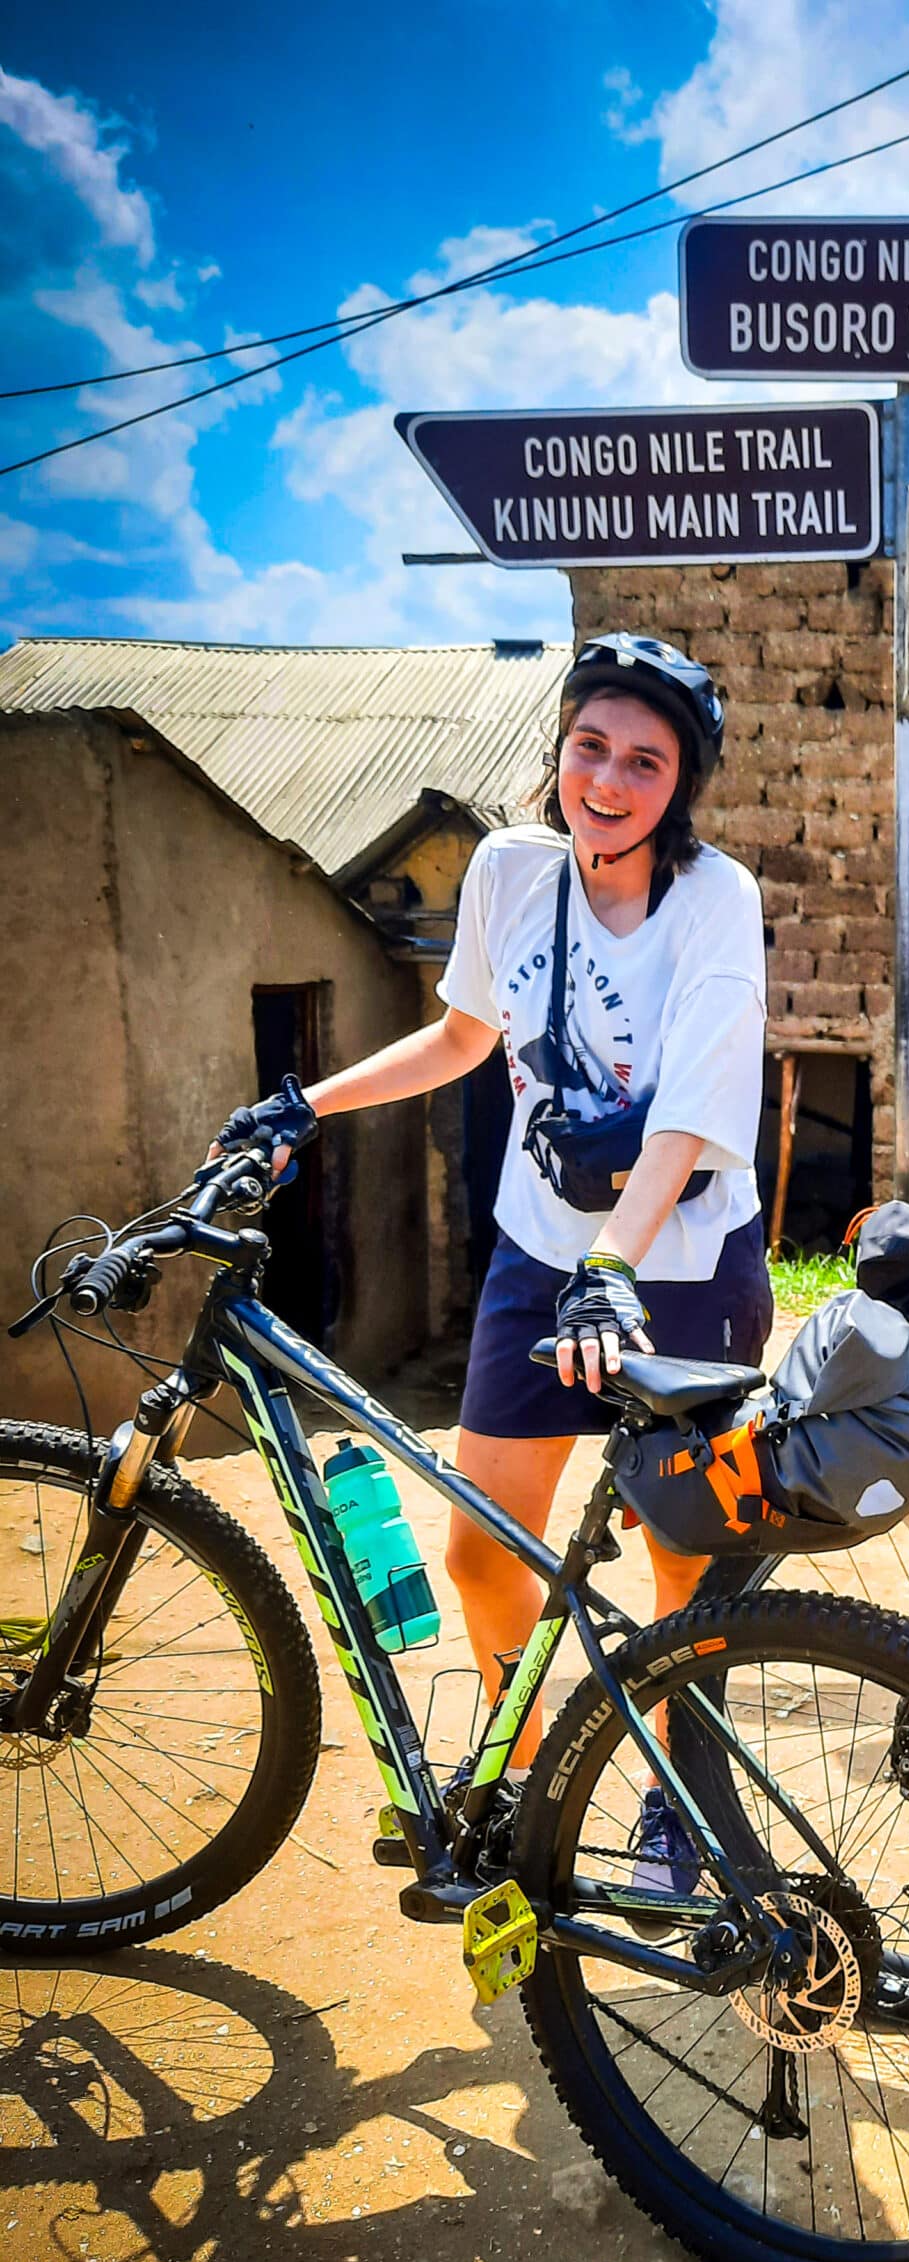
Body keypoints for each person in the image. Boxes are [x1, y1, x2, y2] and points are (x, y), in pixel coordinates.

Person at [214, 633, 771, 1882]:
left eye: (644, 761)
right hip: (540, 1254)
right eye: (590, 747)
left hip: (683, 1265)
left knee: (683, 1562)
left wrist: (614, 1267)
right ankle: (525, 1788)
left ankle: (678, 1802)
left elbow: (690, 1117)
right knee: (480, 1549)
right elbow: (463, 1037)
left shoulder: (716, 899)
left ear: (683, 783)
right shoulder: (511, 870)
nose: (608, 781)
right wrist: (307, 1104)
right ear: (558, 749)